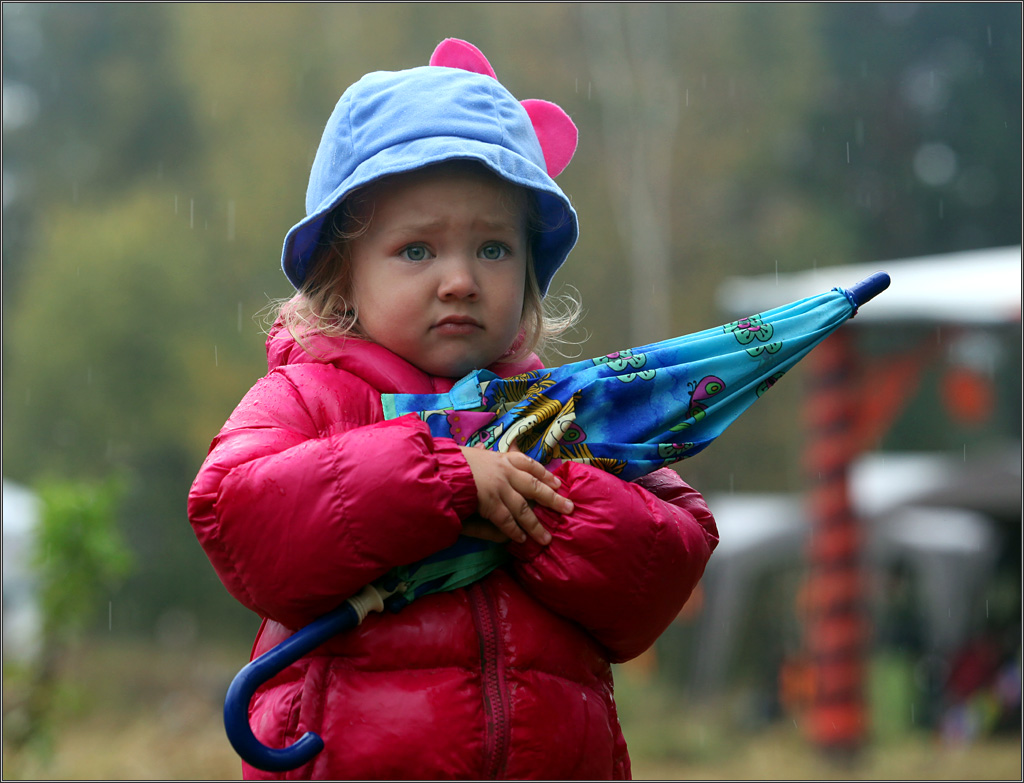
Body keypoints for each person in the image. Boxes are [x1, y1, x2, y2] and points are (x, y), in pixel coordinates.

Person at [188, 38, 718, 780]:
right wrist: (438, 478)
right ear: (340, 277)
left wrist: (539, 496)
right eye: (416, 250)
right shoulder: (311, 394)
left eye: (494, 249)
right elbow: (239, 515)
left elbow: (665, 566)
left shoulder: (565, 411)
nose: (461, 279)